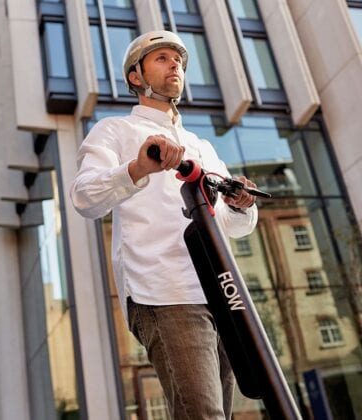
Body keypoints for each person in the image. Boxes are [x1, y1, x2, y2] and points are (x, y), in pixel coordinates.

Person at [69, 30, 259, 419]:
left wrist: (240, 204)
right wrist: (138, 167)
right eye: (162, 58)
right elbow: (84, 197)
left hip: (219, 291)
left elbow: (232, 226)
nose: (175, 64)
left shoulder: (201, 147)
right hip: (163, 291)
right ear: (136, 77)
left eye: (179, 60)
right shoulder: (115, 131)